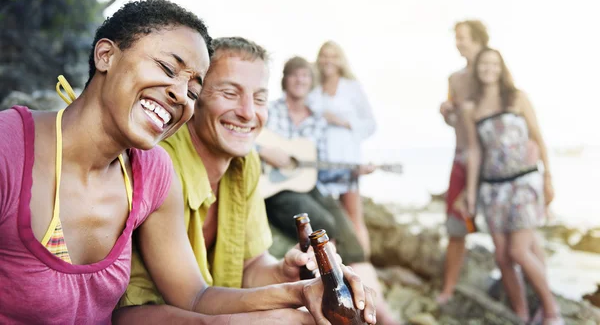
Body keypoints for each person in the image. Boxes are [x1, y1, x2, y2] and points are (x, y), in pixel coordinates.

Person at [114, 38, 377, 325]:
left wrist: (284, 272)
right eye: (230, 93)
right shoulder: (160, 161)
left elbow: (249, 266)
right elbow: (186, 299)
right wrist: (296, 295)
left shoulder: (246, 162)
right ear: (195, 95)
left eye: (260, 98)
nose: (248, 112)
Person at [0, 0, 211, 323]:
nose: (181, 95)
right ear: (106, 56)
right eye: (168, 69)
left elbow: (195, 297)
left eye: (194, 93)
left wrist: (295, 293)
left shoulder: (153, 171)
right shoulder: (8, 149)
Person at [261, 56, 400, 325]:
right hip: (274, 190)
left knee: (350, 238)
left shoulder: (318, 122)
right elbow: (245, 138)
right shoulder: (270, 110)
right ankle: (336, 300)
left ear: (311, 82)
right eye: (294, 75)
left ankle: (380, 313)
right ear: (285, 80)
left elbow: (318, 169)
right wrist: (264, 151)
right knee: (322, 225)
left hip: (307, 186)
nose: (300, 80)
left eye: (305, 76)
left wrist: (352, 172)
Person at [462, 47, 561, 325]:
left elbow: (538, 137)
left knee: (519, 251)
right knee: (503, 256)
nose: (488, 69)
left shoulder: (517, 98)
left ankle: (552, 312)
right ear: (477, 69)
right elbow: (474, 150)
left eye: (494, 64)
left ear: (501, 67)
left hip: (523, 181)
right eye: (483, 64)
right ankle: (522, 314)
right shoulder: (472, 107)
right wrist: (471, 194)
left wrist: (548, 177)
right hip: (492, 189)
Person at [437, 20, 488, 304]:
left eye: (463, 38)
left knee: (507, 235)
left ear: (479, 39)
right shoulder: (454, 79)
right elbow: (456, 120)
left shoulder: (492, 72)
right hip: (461, 158)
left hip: (491, 163)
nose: (458, 42)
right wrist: (446, 112)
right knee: (456, 227)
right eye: (456, 37)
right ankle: (448, 289)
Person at [308, 41, 376, 256]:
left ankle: (363, 266)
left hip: (347, 160)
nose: (328, 60)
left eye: (333, 56)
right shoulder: (313, 89)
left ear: (340, 60)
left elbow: (370, 124)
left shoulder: (351, 88)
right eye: (324, 55)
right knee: (328, 218)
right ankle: (339, 266)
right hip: (320, 162)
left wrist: (343, 122)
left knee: (353, 216)